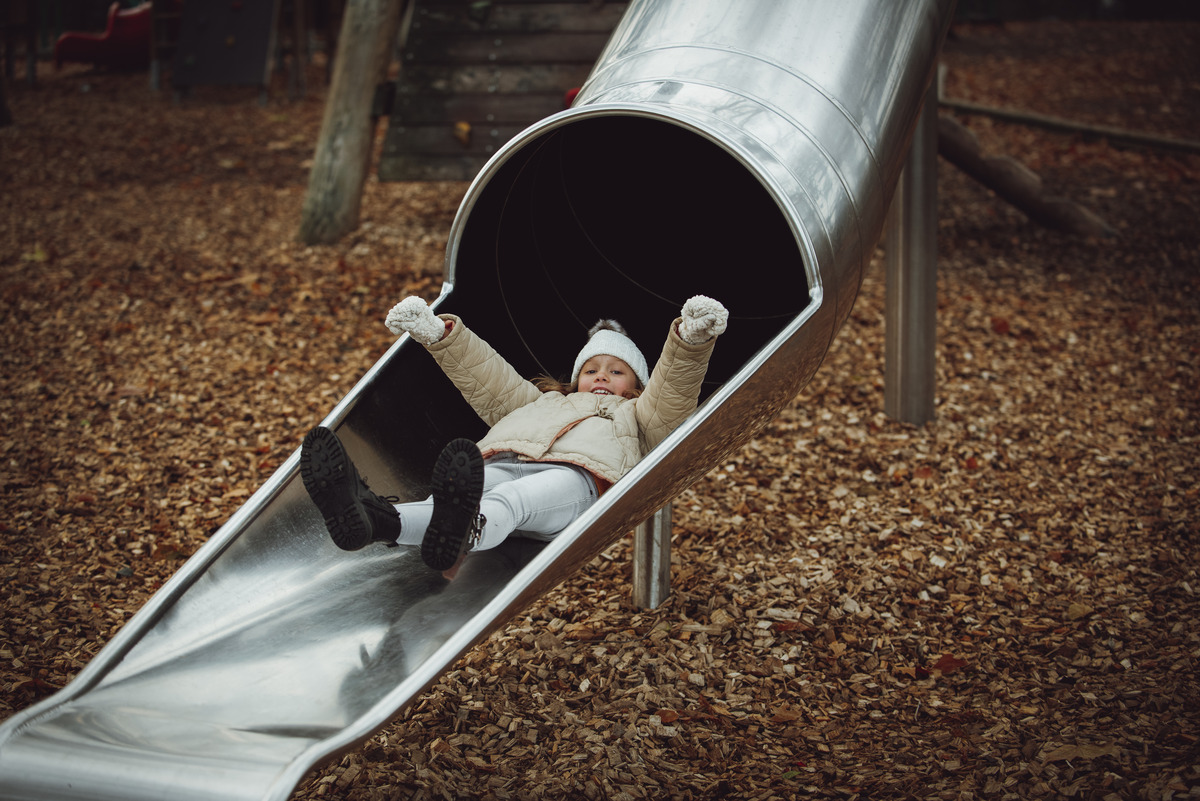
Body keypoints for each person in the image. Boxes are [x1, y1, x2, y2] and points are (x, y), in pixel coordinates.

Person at [299, 294, 728, 578]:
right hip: (505, 461)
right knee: (458, 495)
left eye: (616, 372)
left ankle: (466, 532)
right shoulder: (542, 401)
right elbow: (489, 378)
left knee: (511, 502)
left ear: (635, 384)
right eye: (591, 370)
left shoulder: (637, 415)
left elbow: (673, 392)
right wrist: (438, 335)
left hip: (579, 481)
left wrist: (689, 341)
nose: (601, 376)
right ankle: (375, 522)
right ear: (576, 377)